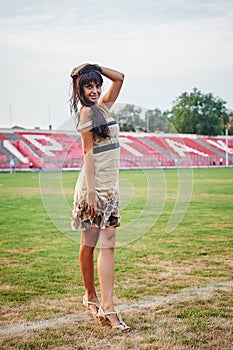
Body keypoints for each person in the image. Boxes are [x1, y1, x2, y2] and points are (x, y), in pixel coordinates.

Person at [70, 63, 130, 331]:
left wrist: (93, 65)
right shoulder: (86, 113)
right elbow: (88, 154)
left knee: (107, 245)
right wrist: (92, 192)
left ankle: (107, 307)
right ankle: (92, 298)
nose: (94, 90)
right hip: (93, 188)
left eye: (96, 85)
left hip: (111, 188)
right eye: (88, 86)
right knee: (90, 243)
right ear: (80, 90)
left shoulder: (104, 107)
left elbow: (120, 78)